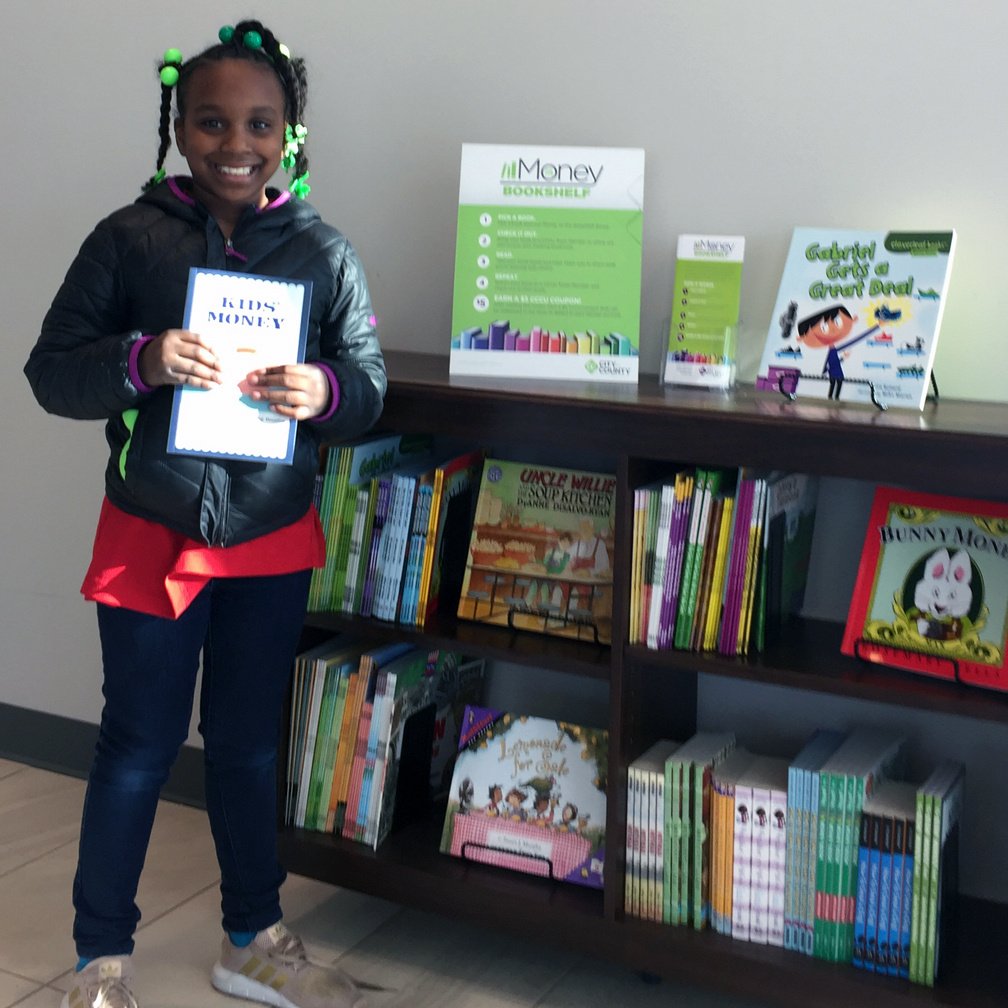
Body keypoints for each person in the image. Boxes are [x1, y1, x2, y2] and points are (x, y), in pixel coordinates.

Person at [24, 19, 386, 1008]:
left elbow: (368, 383)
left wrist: (324, 392)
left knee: (247, 745)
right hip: (152, 532)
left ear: (290, 134)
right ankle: (101, 959)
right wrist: (141, 360)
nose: (238, 143)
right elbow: (51, 373)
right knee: (136, 744)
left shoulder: (323, 250)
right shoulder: (127, 239)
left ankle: (254, 939)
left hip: (269, 538)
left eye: (261, 123)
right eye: (214, 121)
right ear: (179, 128)